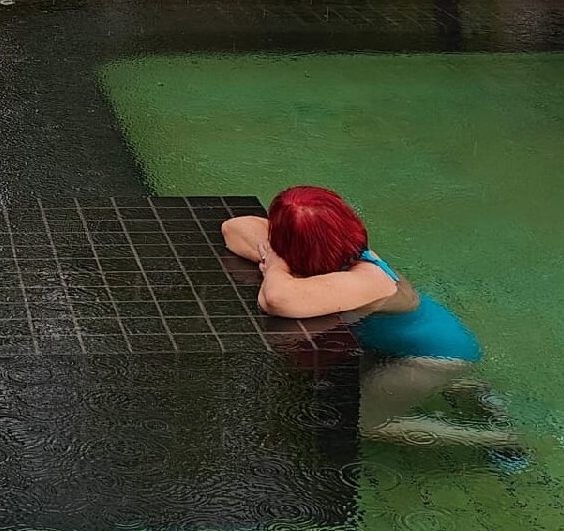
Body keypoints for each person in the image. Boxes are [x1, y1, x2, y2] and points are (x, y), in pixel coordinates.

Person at [221, 186, 516, 448]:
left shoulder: (369, 278)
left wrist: (275, 264)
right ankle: (469, 389)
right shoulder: (333, 251)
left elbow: (276, 300)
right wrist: (278, 256)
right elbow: (234, 228)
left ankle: (496, 438)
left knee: (364, 425)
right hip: (396, 345)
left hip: (436, 357)